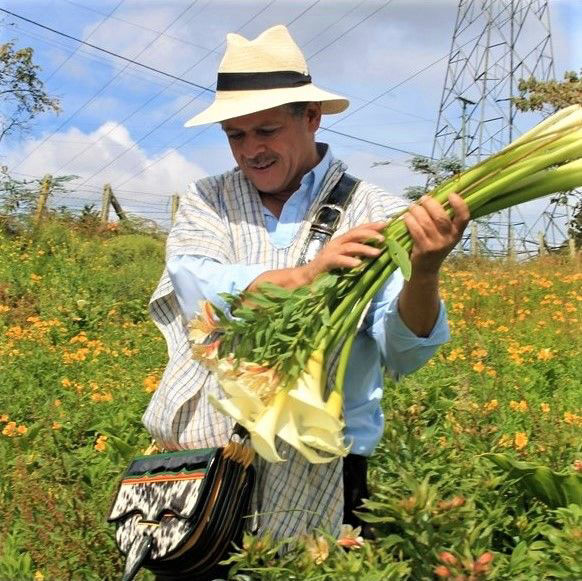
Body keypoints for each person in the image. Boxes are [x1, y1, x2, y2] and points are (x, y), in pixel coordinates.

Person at [143, 24, 469, 545]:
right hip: (213, 461)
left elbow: (403, 352)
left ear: (311, 117)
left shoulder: (378, 213)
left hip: (329, 461)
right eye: (235, 135)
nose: (251, 150)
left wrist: (425, 272)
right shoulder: (208, 199)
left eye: (266, 130)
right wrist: (309, 274)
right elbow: (194, 286)